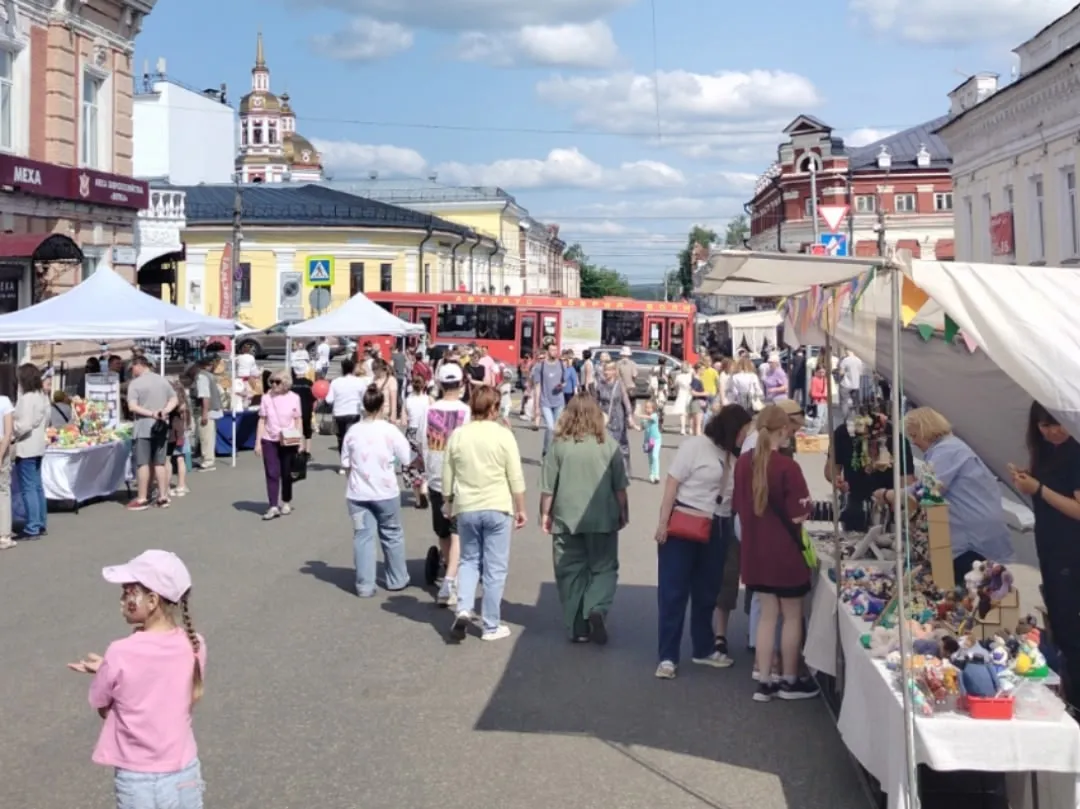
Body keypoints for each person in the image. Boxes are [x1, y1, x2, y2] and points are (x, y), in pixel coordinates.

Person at [67, 550, 206, 809]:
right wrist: (107, 668)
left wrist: (107, 669)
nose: (121, 600)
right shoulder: (195, 644)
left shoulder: (120, 651)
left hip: (139, 778)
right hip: (186, 769)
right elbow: (164, 685)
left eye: (127, 592)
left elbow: (102, 706)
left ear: (152, 600)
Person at [653, 404, 752, 679]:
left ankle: (703, 648)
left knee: (708, 591)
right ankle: (668, 656)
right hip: (685, 522)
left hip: (719, 527)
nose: (746, 436)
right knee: (673, 593)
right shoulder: (695, 446)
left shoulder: (735, 456)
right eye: (743, 431)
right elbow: (672, 483)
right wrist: (663, 522)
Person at [732, 405, 819, 702]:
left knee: (767, 616)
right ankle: (790, 679)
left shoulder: (743, 463)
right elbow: (799, 513)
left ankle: (764, 679)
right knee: (792, 616)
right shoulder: (786, 467)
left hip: (755, 552)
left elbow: (737, 505)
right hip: (784, 554)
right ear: (783, 430)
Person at [875, 407, 1012, 582]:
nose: (914, 442)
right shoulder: (948, 448)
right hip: (973, 531)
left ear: (926, 430)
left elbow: (925, 490)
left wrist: (888, 495)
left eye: (914, 435)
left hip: (971, 537)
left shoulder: (947, 451)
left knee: (973, 588)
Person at [540, 395, 629, 643]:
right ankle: (597, 606)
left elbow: (548, 488)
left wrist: (545, 515)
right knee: (604, 567)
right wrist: (623, 512)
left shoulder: (559, 445)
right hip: (603, 516)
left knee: (570, 571)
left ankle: (578, 626)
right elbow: (620, 487)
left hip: (566, 516)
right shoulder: (608, 445)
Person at [444, 385, 528, 642]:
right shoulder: (503, 435)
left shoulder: (458, 435)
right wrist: (521, 507)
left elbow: (448, 473)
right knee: (495, 568)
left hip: (467, 506)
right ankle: (491, 624)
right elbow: (515, 475)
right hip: (497, 505)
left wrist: (448, 501)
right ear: (493, 408)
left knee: (469, 560)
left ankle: (464, 607)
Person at [1010, 402, 1080, 708]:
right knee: (1061, 626)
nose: (1052, 431)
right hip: (1051, 548)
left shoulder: (1075, 453)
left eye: (1057, 424)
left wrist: (1038, 489)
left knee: (1070, 629)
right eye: (1044, 426)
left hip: (1070, 552)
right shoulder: (1047, 452)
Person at [342, 384, 411, 597]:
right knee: (391, 534)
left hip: (357, 493)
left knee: (363, 537)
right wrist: (393, 460)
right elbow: (406, 458)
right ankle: (397, 578)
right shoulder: (390, 431)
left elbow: (345, 462)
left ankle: (364, 585)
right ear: (382, 406)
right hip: (386, 491)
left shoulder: (352, 431)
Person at [420, 363, 471, 607]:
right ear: (461, 384)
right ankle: (454, 579)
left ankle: (449, 572)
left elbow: (421, 444)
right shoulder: (467, 412)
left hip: (436, 477)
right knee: (457, 531)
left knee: (442, 530)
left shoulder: (429, 411)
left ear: (439, 384)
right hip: (461, 480)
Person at [826, 404, 915, 531]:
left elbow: (906, 481)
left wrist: (894, 497)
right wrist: (837, 479)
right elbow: (831, 469)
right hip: (853, 503)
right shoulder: (843, 434)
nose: (870, 445)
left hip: (887, 504)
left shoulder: (897, 441)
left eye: (875, 442)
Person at [127, 357, 178, 511]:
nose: (131, 371)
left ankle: (142, 498)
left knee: (142, 463)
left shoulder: (135, 384)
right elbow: (174, 399)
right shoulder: (162, 380)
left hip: (144, 427)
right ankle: (163, 496)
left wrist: (151, 413)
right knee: (159, 463)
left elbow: (132, 406)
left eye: (132, 367)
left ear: (139, 366)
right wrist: (165, 411)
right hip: (161, 426)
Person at [255, 371, 302, 520]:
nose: (274, 385)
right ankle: (273, 505)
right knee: (271, 472)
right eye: (272, 382)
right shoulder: (266, 398)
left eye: (277, 382)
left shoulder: (294, 398)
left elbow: (298, 419)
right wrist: (258, 442)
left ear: (286, 384)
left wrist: (299, 439)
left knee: (286, 472)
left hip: (288, 439)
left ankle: (286, 501)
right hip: (269, 438)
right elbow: (262, 420)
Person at [13, 364, 48, 537]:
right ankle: (40, 522)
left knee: (28, 488)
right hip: (38, 444)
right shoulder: (42, 396)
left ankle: (33, 525)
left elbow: (24, 425)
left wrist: (11, 429)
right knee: (37, 486)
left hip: (26, 445)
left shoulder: (26, 398)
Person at [326, 358, 370, 468]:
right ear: (353, 369)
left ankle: (344, 463)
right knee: (354, 438)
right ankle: (354, 461)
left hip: (339, 413)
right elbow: (365, 398)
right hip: (354, 413)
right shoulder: (359, 382)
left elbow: (329, 399)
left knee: (341, 439)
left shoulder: (335, 382)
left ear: (342, 369)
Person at [596, 360, 637, 475]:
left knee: (621, 444)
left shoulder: (619, 384)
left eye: (609, 370)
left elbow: (626, 400)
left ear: (614, 371)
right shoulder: (600, 384)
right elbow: (596, 401)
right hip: (604, 418)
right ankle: (607, 471)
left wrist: (629, 416)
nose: (606, 372)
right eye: (605, 370)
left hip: (618, 417)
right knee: (606, 445)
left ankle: (625, 470)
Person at [532, 339, 568, 456]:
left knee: (557, 429)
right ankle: (546, 451)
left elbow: (565, 382)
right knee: (550, 427)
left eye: (556, 350)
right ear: (547, 351)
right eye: (552, 350)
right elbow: (537, 387)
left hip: (559, 401)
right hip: (545, 401)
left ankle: (555, 452)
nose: (555, 352)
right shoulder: (540, 366)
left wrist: (562, 385)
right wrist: (536, 407)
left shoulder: (561, 365)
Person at [403, 375, 432, 508]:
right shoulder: (429, 400)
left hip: (412, 432)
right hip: (426, 432)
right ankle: (425, 487)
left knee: (412, 464)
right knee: (425, 461)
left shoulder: (407, 400)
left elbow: (404, 421)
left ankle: (417, 500)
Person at [193, 356, 223, 471]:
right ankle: (207, 459)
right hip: (211, 409)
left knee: (206, 437)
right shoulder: (210, 376)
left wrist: (204, 413)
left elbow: (205, 396)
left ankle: (208, 461)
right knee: (208, 436)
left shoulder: (202, 377)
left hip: (205, 410)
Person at [167, 378, 192, 498]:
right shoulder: (184, 404)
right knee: (180, 458)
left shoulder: (169, 403)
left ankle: (166, 487)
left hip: (171, 432)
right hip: (182, 432)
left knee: (167, 460)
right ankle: (181, 485)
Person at [0, 387, 13, 549]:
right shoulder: (4, 401)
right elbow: (8, 433)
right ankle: (4, 535)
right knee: (3, 490)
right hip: (2, 445)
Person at [641, 399, 662, 483]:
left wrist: (639, 415)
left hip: (656, 439)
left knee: (655, 456)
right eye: (646, 408)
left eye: (649, 408)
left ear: (653, 409)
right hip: (648, 441)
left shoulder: (654, 416)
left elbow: (649, 418)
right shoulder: (643, 420)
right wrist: (633, 425)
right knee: (650, 458)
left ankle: (657, 475)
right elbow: (641, 428)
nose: (648, 409)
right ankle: (651, 474)